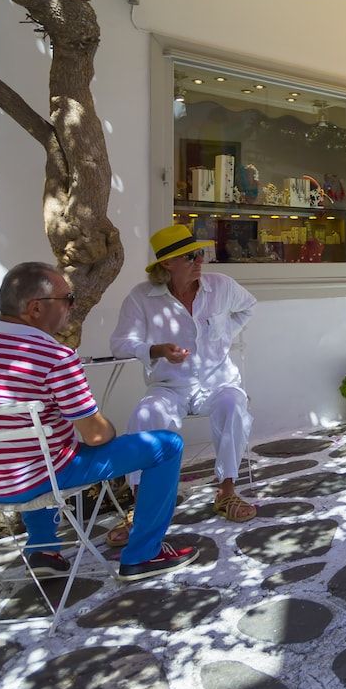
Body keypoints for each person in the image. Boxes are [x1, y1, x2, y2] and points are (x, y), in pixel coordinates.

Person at [0, 262, 195, 582]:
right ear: (36, 308)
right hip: (31, 479)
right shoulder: (55, 356)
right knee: (166, 446)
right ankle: (143, 554)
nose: (72, 307)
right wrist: (106, 427)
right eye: (67, 299)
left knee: (36, 445)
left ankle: (43, 548)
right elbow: (96, 435)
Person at [110, 224, 259, 536]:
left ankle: (227, 491)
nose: (201, 261)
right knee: (144, 415)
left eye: (201, 253)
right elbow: (121, 343)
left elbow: (248, 308)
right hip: (169, 386)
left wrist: (223, 338)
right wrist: (156, 350)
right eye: (192, 256)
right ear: (168, 264)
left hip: (218, 382)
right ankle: (142, 504)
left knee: (233, 403)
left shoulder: (221, 286)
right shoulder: (142, 298)